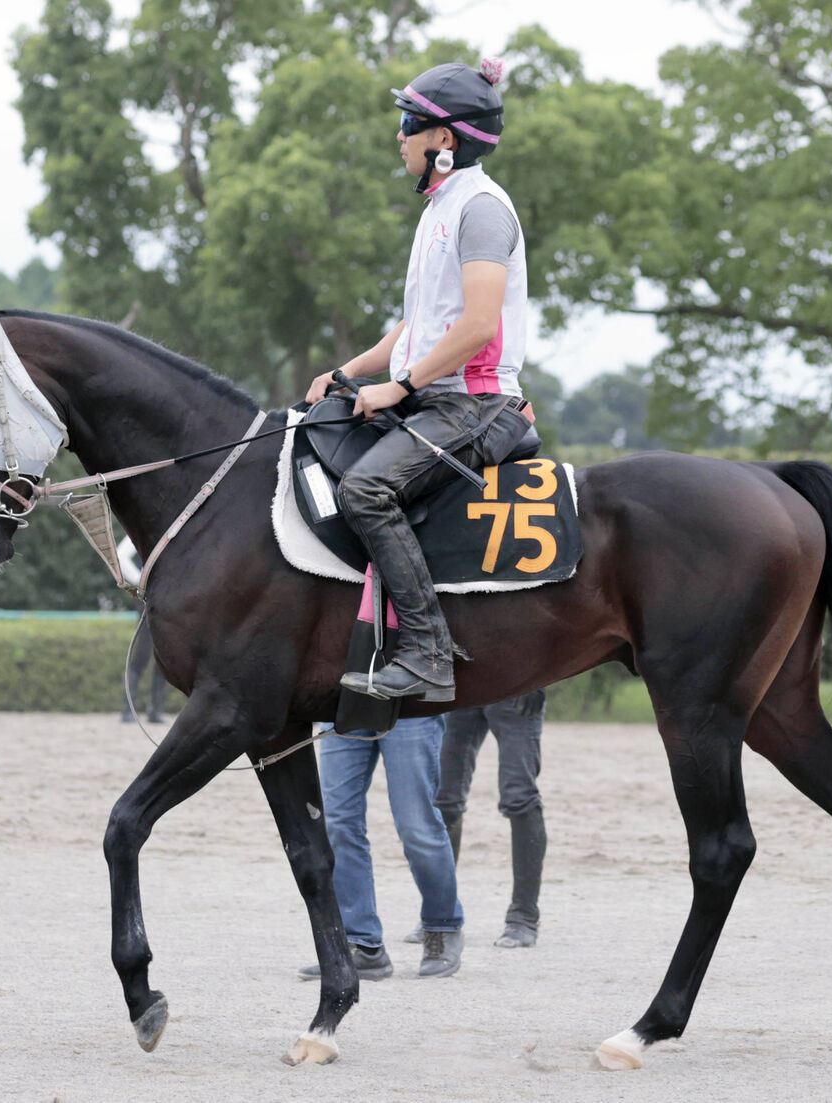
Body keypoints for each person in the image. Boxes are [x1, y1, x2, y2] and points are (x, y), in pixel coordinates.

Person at [306, 57, 533, 703]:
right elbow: (415, 331)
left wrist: (398, 389)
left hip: (475, 405)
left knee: (367, 490)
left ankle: (430, 655)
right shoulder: (440, 208)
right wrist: (346, 373)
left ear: (446, 140)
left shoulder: (482, 209)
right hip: (439, 397)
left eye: (410, 123)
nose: (399, 135)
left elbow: (479, 326)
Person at [297, 715, 464, 980]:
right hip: (343, 703)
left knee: (416, 826)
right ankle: (362, 944)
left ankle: (442, 925)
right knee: (337, 822)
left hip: (412, 703)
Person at [422, 690, 547, 948]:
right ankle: (440, 913)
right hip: (461, 687)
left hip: (517, 683)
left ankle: (523, 916)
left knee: (519, 796)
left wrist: (541, 680)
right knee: (444, 797)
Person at [116, 535, 167, 724]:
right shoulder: (139, 529)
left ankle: (155, 709)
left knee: (165, 657)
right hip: (149, 600)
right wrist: (142, 581)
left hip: (169, 598)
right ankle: (127, 709)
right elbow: (121, 556)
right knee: (141, 656)